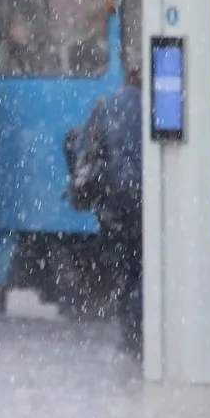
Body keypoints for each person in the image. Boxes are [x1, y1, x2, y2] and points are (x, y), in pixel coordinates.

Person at [76, 65, 143, 353]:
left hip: (112, 204)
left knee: (126, 269)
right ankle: (143, 331)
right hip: (146, 201)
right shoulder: (154, 107)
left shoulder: (106, 107)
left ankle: (130, 333)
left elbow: (83, 146)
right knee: (145, 267)